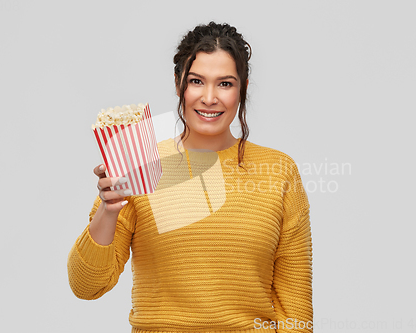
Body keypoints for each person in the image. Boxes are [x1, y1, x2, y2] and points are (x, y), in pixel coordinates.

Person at [68, 21, 313, 333]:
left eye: (225, 84)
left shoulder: (279, 170)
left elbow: (295, 308)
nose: (209, 98)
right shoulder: (141, 161)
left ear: (244, 87)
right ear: (178, 83)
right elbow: (86, 285)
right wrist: (109, 208)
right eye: (197, 81)